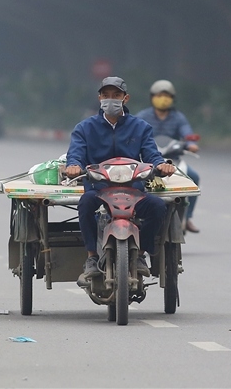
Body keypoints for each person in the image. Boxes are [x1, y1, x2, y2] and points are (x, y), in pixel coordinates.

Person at [65, 76, 176, 286]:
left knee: (158, 207)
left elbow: (152, 155)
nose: (111, 100)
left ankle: (142, 253)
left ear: (125, 98)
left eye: (116, 95)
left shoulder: (141, 127)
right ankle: (91, 257)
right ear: (99, 98)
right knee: (85, 203)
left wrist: (162, 165)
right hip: (98, 190)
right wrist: (73, 167)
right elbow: (76, 154)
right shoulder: (84, 128)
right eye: (106, 95)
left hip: (133, 191)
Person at [135, 80, 202, 233]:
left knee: (193, 177)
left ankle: (188, 217)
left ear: (172, 98)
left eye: (166, 96)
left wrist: (191, 143)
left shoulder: (178, 117)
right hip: (148, 161)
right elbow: (133, 132)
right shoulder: (143, 116)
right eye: (159, 95)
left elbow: (187, 133)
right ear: (152, 97)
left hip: (173, 160)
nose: (163, 99)